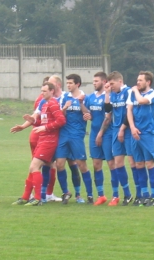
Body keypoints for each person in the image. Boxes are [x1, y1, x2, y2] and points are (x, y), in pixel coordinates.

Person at [12, 82, 66, 206]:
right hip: (43, 139)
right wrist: (33, 121)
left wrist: (45, 128)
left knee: (33, 167)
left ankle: (37, 198)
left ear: (52, 91)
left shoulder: (53, 103)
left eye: (45, 91)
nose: (42, 93)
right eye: (41, 91)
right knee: (34, 167)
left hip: (49, 141)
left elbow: (61, 120)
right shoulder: (44, 104)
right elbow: (43, 122)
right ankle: (26, 197)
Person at [55, 74, 93, 204]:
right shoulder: (64, 97)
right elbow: (59, 116)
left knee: (81, 165)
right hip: (64, 134)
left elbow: (88, 114)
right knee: (59, 164)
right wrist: (65, 108)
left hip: (77, 135)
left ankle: (89, 194)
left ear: (78, 84)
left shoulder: (85, 98)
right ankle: (66, 192)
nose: (68, 85)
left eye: (71, 83)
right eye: (67, 83)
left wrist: (81, 104)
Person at [45, 75, 84, 203]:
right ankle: (61, 192)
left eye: (51, 83)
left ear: (57, 85)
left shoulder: (64, 97)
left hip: (68, 135)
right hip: (55, 137)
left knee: (73, 163)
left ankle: (78, 194)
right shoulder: (45, 100)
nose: (48, 85)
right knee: (55, 164)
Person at [127, 71, 154, 206]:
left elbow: (141, 101)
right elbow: (129, 111)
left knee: (149, 164)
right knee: (138, 164)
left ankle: (153, 195)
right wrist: (132, 128)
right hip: (135, 133)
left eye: (141, 80)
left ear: (148, 82)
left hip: (147, 133)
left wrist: (135, 91)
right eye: (137, 80)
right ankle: (144, 195)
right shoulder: (132, 94)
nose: (138, 82)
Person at [83, 72, 116, 206]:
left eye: (96, 81)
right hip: (94, 134)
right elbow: (90, 114)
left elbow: (108, 117)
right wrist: (86, 114)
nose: (94, 83)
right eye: (93, 81)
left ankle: (115, 195)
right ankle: (101, 195)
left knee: (111, 164)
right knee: (96, 164)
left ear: (104, 81)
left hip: (106, 134)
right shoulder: (90, 97)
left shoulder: (109, 97)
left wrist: (101, 133)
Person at [104, 71, 134, 206]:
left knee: (134, 162)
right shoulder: (113, 95)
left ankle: (141, 193)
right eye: (109, 84)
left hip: (127, 130)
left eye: (112, 84)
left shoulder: (128, 92)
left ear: (120, 81)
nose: (111, 86)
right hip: (116, 130)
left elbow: (130, 112)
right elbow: (108, 109)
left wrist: (123, 128)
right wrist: (107, 93)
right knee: (118, 163)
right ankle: (127, 194)